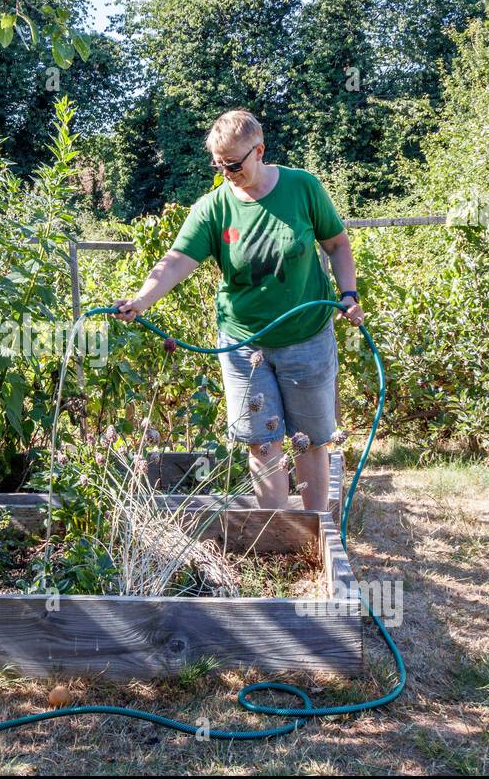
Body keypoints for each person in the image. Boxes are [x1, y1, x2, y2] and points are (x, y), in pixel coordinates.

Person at [114, 109, 363, 511]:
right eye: (219, 164)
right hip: (244, 345)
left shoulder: (302, 188)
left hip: (307, 339)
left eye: (233, 163)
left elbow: (337, 244)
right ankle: (276, 534)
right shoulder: (214, 208)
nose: (226, 171)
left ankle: (319, 535)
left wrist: (348, 293)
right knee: (262, 444)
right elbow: (177, 259)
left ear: (259, 150)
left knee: (312, 442)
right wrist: (143, 299)